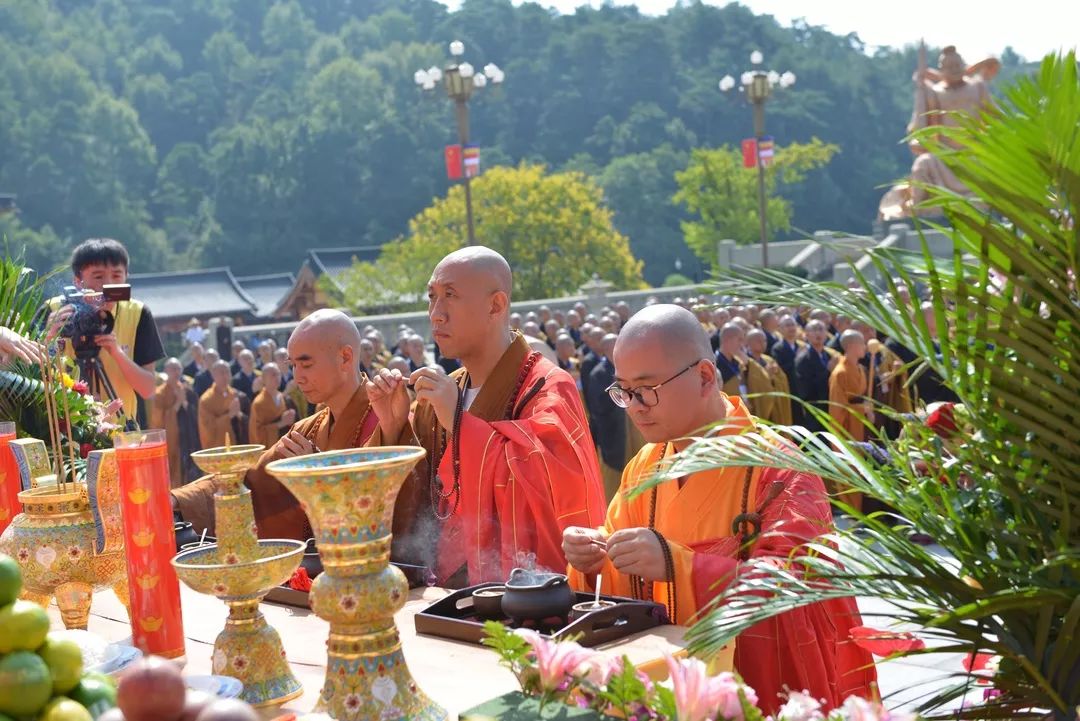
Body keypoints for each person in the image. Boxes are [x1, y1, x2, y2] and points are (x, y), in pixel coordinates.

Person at [561, 304, 876, 713]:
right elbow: (616, 562)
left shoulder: (778, 469)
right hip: (659, 692)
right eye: (624, 391)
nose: (635, 405)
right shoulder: (644, 467)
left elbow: (801, 594)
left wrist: (682, 567)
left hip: (753, 693)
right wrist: (593, 557)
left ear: (705, 377)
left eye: (647, 389)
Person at [366, 246, 606, 585]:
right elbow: (424, 504)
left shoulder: (548, 387)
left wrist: (461, 425)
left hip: (523, 593)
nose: (436, 314)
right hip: (446, 592)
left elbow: (553, 495)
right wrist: (394, 430)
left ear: (496, 305)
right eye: (432, 297)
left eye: (450, 296)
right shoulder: (445, 392)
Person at [173, 311, 414, 553]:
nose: (297, 377)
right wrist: (178, 501)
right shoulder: (307, 429)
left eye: (306, 364)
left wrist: (317, 476)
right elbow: (246, 479)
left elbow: (393, 506)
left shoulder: (390, 417)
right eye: (293, 365)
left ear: (345, 357)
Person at [44, 238, 165, 422]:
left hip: (122, 431)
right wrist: (48, 338)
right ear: (78, 281)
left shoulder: (138, 313)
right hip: (66, 434)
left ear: (126, 277)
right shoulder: (54, 310)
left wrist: (116, 353)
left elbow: (148, 389)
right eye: (98, 277)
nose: (108, 285)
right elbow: (26, 377)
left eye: (116, 276)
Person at [586, 333, 626, 500]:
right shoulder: (598, 373)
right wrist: (620, 399)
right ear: (606, 350)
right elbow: (597, 406)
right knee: (613, 481)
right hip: (612, 432)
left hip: (628, 430)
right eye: (614, 346)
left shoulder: (625, 367)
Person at [152, 358, 201, 487]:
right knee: (173, 473)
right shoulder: (160, 393)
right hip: (172, 439)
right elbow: (158, 421)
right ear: (166, 371)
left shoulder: (187, 390)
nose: (176, 372)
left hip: (187, 438)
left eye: (179, 368)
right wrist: (177, 404)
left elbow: (196, 414)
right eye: (173, 369)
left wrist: (184, 402)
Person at [793, 320, 838, 432]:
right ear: (806, 334)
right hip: (815, 413)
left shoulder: (829, 355)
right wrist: (827, 371)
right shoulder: (803, 359)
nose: (818, 333)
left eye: (821, 329)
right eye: (814, 330)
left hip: (832, 408)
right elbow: (805, 390)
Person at [198, 360, 249, 448]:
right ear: (213, 375)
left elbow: (249, 421)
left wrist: (239, 415)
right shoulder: (206, 399)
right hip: (219, 447)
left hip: (238, 443)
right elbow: (207, 428)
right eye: (221, 373)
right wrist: (229, 415)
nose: (225, 376)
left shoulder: (237, 395)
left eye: (227, 372)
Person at [746, 328, 791, 425]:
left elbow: (783, 379)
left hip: (774, 406)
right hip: (757, 405)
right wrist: (765, 376)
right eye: (758, 340)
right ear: (748, 343)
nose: (762, 343)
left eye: (764, 340)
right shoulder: (746, 363)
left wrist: (774, 377)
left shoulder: (769, 360)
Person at [248, 363, 297, 450]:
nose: (277, 377)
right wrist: (281, 423)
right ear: (263, 379)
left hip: (286, 447)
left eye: (278, 374)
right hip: (270, 449)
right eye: (273, 375)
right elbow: (257, 433)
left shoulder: (286, 399)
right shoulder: (259, 403)